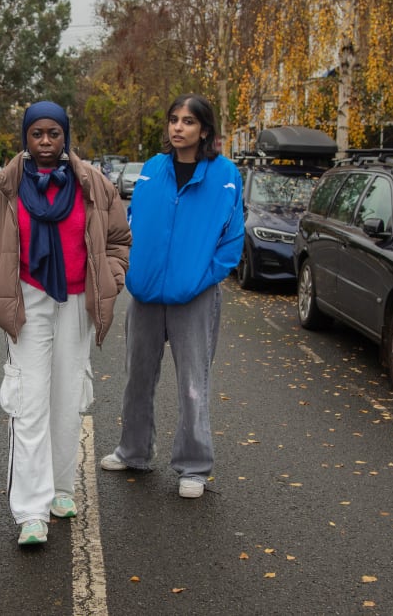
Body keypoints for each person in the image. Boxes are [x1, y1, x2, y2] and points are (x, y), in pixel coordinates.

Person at [0, 101, 131, 545]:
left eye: (53, 134)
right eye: (36, 133)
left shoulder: (92, 184)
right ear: (25, 137)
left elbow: (118, 239)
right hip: (27, 300)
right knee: (29, 401)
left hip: (79, 300)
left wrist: (112, 278)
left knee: (68, 397)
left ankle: (60, 490)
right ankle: (31, 511)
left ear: (65, 137)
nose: (44, 142)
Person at [100, 93, 244, 498]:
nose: (178, 127)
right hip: (145, 294)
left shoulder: (226, 175)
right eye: (173, 120)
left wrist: (199, 277)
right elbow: (130, 225)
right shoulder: (152, 169)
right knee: (137, 377)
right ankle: (134, 451)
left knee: (193, 383)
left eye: (188, 121)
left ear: (204, 130)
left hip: (195, 296)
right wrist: (133, 267)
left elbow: (232, 241)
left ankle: (194, 467)